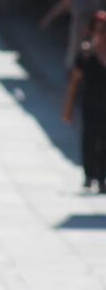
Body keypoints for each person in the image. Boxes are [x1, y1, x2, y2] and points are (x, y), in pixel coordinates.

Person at [63, 10, 106, 194]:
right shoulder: (86, 54)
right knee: (89, 139)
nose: (101, 33)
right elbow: (75, 81)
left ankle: (102, 178)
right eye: (98, 29)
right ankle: (89, 176)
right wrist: (69, 107)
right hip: (90, 103)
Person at [40, 0, 106, 69]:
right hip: (77, 38)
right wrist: (48, 19)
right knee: (74, 67)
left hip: (97, 44)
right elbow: (61, 6)